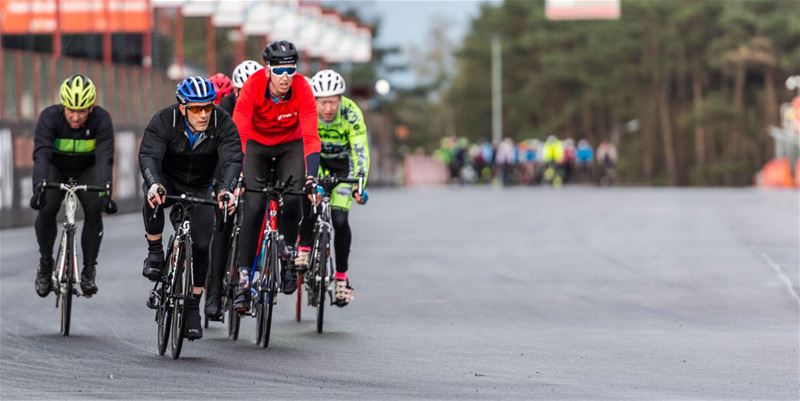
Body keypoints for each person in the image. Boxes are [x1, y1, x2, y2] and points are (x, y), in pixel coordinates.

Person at [139, 76, 242, 340]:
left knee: (202, 244)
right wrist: (154, 184)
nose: (204, 114)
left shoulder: (222, 122)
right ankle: (154, 252)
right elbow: (149, 155)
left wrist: (226, 189)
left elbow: (231, 158)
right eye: (197, 108)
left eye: (207, 107)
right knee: (152, 197)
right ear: (183, 108)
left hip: (200, 185)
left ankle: (193, 306)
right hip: (168, 180)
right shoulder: (164, 120)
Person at [231, 40, 320, 313]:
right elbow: (239, 134)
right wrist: (237, 176)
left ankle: (287, 254)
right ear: (268, 70)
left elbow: (311, 137)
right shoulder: (253, 87)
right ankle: (243, 281)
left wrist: (312, 178)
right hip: (256, 147)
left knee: (294, 199)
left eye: (291, 71)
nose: (285, 78)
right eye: (280, 71)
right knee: (255, 207)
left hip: (289, 146)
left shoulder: (303, 88)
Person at [31, 74, 117, 298]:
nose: (76, 117)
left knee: (93, 207)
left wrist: (106, 191)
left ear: (91, 108)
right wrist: (38, 186)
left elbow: (105, 158)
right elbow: (41, 155)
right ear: (63, 106)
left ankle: (89, 270)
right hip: (56, 167)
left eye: (82, 111)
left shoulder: (101, 120)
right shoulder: (50, 117)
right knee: (47, 208)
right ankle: (45, 264)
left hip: (86, 170)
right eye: (71, 110)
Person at [204, 60, 263, 320]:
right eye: (240, 91)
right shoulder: (223, 110)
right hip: (225, 167)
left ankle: (250, 278)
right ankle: (214, 296)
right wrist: (220, 185)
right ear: (234, 92)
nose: (244, 97)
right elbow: (217, 152)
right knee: (223, 227)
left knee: (255, 215)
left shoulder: (265, 108)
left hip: (253, 167)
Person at [309, 69, 370, 307]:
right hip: (318, 164)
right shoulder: (308, 112)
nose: (328, 108)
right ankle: (305, 250)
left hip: (343, 168)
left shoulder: (351, 113)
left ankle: (341, 279)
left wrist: (360, 183)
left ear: (340, 99)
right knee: (308, 207)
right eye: (323, 102)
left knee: (340, 221)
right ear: (315, 101)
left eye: (333, 102)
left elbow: (360, 151)